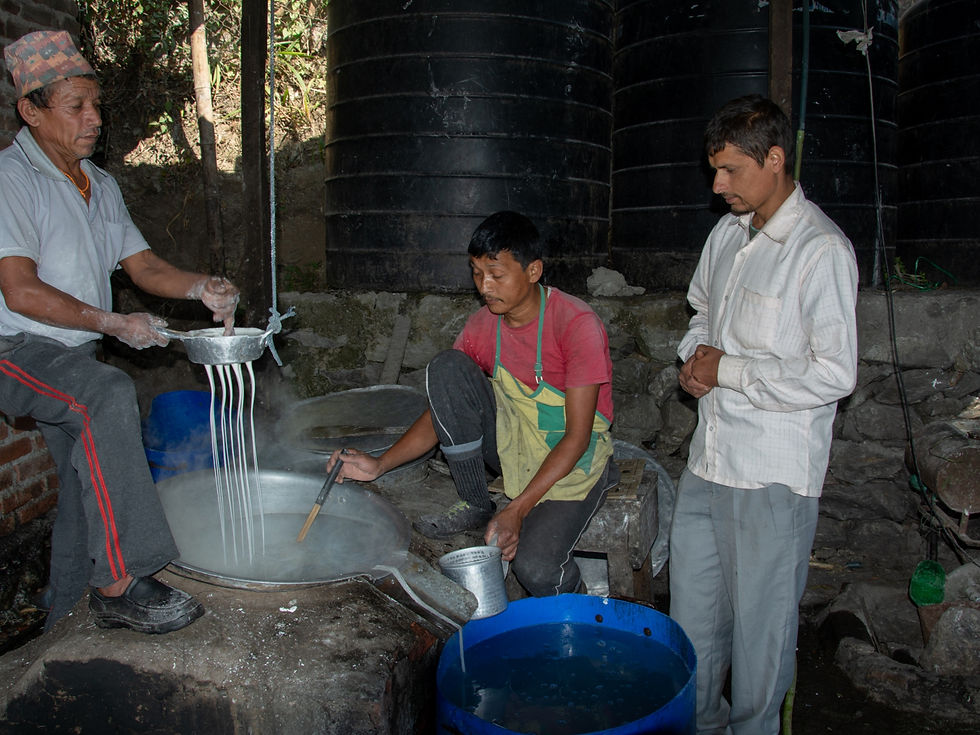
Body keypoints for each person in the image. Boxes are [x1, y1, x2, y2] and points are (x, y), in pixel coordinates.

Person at [0, 30, 240, 634]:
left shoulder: (99, 185)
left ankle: (60, 619)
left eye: (97, 105)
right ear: (31, 109)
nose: (94, 119)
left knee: (90, 489)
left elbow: (145, 268)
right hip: (14, 347)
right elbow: (20, 291)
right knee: (106, 393)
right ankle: (120, 582)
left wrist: (200, 287)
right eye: (76, 106)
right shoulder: (11, 179)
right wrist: (111, 322)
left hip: (68, 352)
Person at [670, 94, 859, 734]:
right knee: (691, 634)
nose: (717, 185)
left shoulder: (820, 250)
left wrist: (732, 371)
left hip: (773, 480)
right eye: (714, 169)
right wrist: (695, 357)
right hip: (708, 463)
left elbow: (835, 373)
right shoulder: (726, 234)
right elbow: (701, 312)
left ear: (774, 160)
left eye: (730, 171)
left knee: (760, 650)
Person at [329, 211, 618, 595]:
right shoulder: (483, 327)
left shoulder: (576, 324)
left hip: (573, 460)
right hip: (515, 449)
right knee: (446, 368)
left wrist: (516, 509)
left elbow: (577, 437)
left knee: (536, 570)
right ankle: (475, 501)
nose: (485, 286)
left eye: (497, 274)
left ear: (533, 271)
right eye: (477, 273)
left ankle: (581, 613)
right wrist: (378, 463)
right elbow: (444, 410)